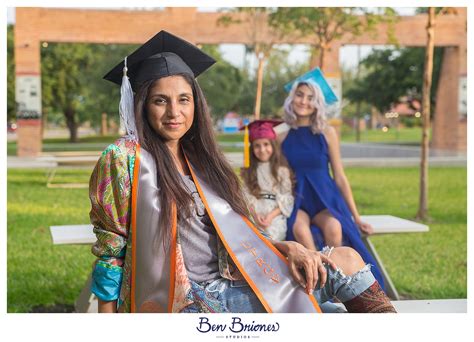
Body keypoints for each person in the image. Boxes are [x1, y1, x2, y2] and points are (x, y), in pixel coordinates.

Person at [89, 31, 395, 313]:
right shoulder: (125, 159)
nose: (174, 112)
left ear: (196, 104)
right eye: (160, 101)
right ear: (143, 104)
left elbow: (235, 235)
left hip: (238, 281)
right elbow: (110, 251)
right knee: (335, 292)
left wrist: (288, 247)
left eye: (184, 99)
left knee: (344, 265)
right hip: (193, 301)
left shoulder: (201, 159)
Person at [278, 68, 385, 288]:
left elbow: (340, 176)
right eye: (300, 95)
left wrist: (356, 217)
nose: (304, 101)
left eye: (310, 97)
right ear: (292, 98)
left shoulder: (327, 133)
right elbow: (278, 177)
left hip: (325, 198)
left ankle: (335, 281)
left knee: (334, 228)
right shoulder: (281, 135)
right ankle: (316, 279)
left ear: (318, 103)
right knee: (299, 229)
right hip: (298, 198)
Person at [241, 120, 316, 248]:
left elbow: (287, 197)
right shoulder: (249, 171)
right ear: (252, 149)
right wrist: (254, 214)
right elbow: (246, 196)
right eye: (257, 146)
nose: (262, 149)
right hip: (255, 213)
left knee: (272, 239)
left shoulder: (281, 171)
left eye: (266, 144)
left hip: (274, 214)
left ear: (273, 146)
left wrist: (270, 217)